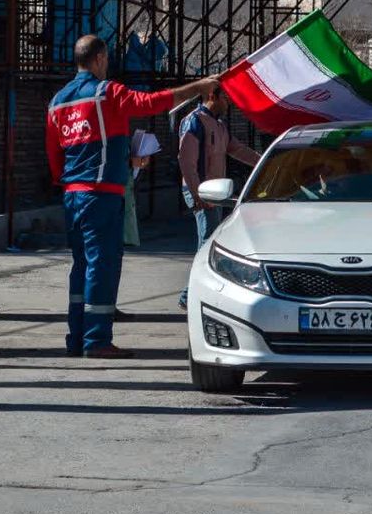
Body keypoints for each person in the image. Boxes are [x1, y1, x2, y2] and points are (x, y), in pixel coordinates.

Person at [47, 35, 218, 358]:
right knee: (103, 263)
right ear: (99, 58)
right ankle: (97, 340)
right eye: (107, 60)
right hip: (101, 195)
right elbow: (151, 102)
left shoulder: (58, 101)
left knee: (80, 265)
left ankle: (77, 336)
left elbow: (55, 153)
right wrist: (198, 87)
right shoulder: (107, 92)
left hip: (73, 193)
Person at [177, 86, 260, 310]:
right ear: (211, 96)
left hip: (215, 193)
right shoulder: (194, 122)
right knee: (206, 243)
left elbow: (238, 150)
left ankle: (190, 294)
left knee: (208, 242)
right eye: (226, 98)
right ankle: (189, 295)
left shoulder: (220, 126)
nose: (229, 103)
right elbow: (186, 161)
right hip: (203, 192)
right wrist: (197, 192)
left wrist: (263, 162)